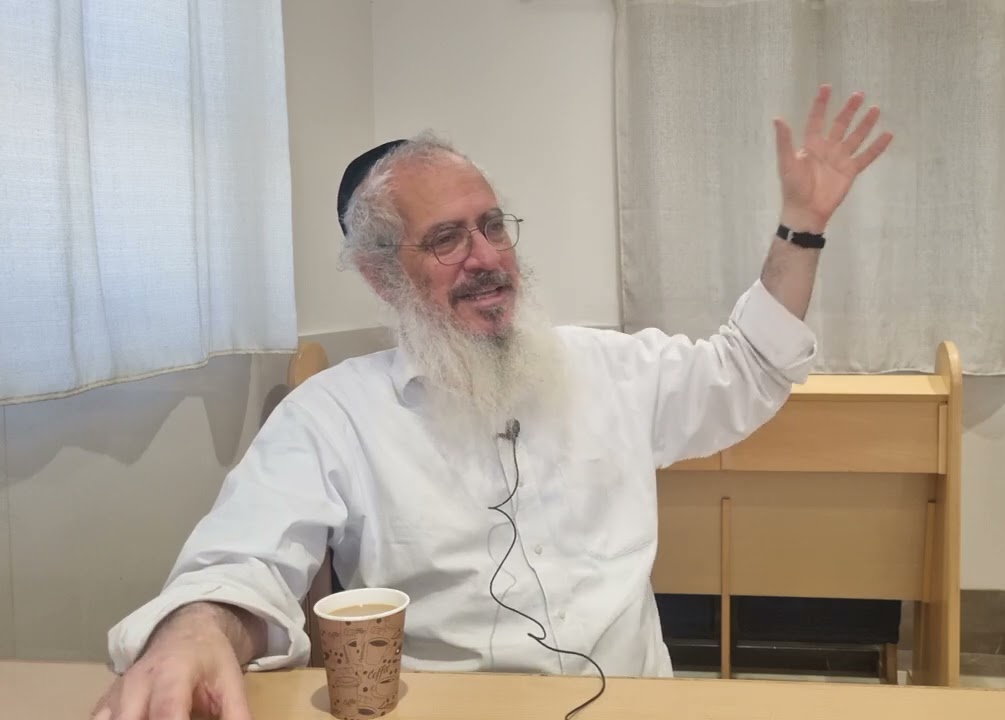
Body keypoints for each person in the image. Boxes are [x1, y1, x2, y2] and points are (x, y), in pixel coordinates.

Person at [91, 85, 891, 720]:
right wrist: (196, 627)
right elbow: (243, 559)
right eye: (446, 239)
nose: (485, 258)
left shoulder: (607, 368)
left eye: (492, 226)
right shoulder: (332, 415)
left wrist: (801, 226)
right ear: (382, 276)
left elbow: (747, 368)